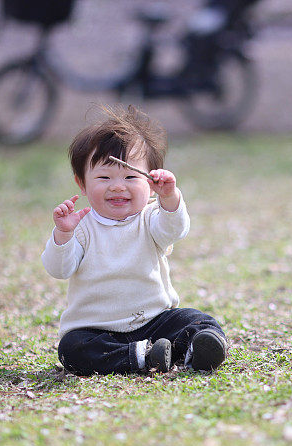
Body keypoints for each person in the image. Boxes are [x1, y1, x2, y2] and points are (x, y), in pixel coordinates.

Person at [41, 105, 227, 375]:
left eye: (130, 176)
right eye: (104, 177)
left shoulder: (151, 217)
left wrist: (169, 198)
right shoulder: (80, 227)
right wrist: (63, 234)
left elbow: (174, 230)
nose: (118, 186)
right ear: (82, 183)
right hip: (99, 329)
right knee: (73, 349)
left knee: (196, 320)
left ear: (151, 182)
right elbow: (59, 269)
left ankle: (195, 349)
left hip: (155, 320)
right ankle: (142, 357)